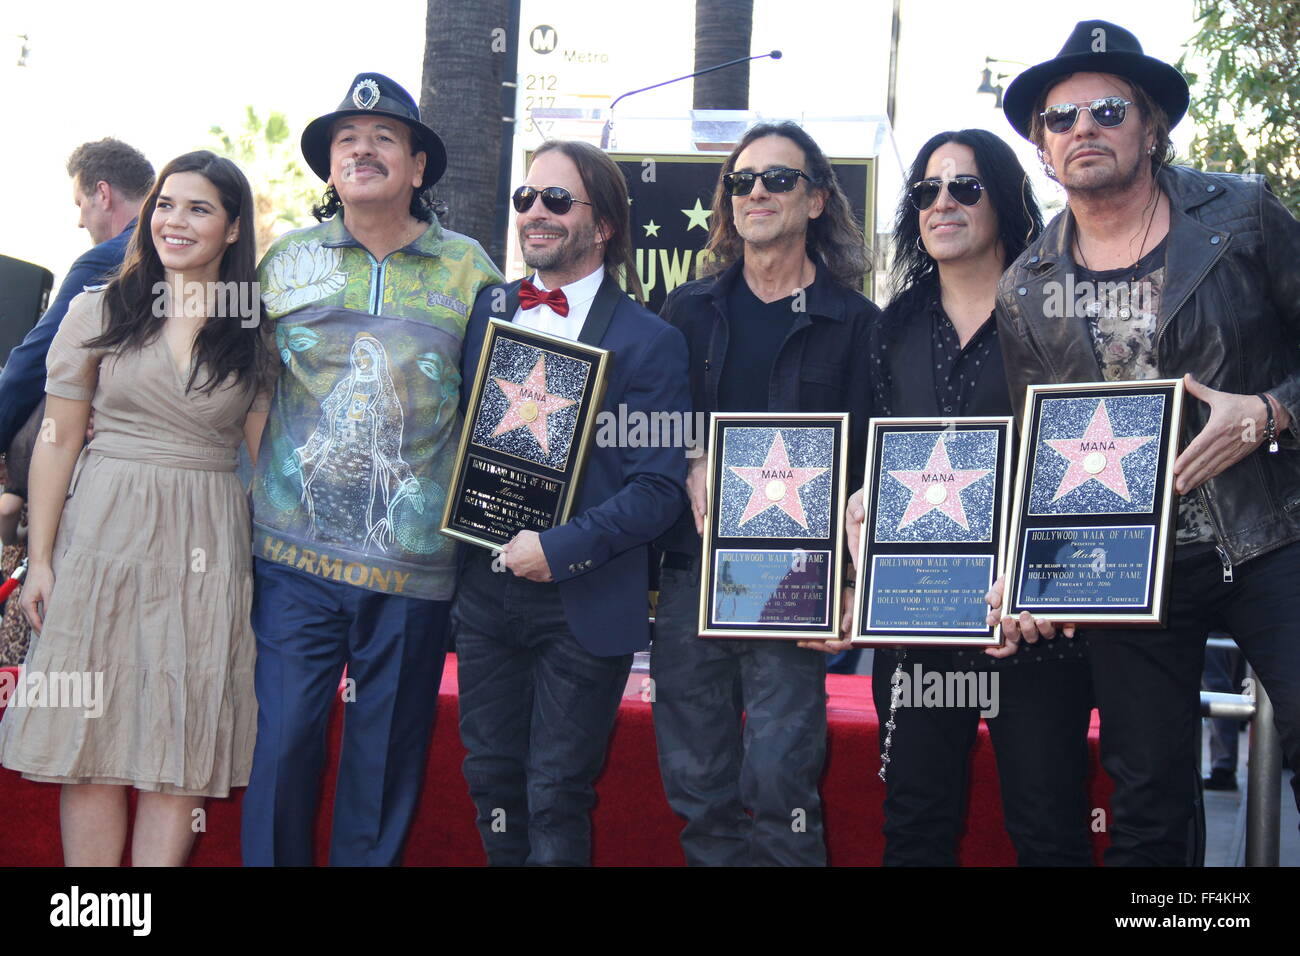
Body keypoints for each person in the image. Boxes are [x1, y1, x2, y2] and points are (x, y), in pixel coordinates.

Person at [989, 19, 1300, 865]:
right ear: (1044, 152)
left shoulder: (1245, 216)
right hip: (1126, 569)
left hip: (1271, 536)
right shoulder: (1026, 284)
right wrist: (1025, 574)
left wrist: (1271, 411)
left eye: (1106, 108)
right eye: (1060, 119)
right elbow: (1036, 452)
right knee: (1148, 798)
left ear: (1151, 124)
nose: (1082, 128)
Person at [241, 73, 501, 866]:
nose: (362, 149)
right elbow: (250, 394)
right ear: (329, 169)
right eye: (346, 139)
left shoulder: (471, 272)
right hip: (291, 564)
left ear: (419, 167)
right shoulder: (285, 262)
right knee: (281, 748)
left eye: (385, 137)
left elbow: (494, 414)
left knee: (382, 767)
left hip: (413, 571)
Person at [0, 150, 272, 866]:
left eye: (199, 208)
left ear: (234, 226)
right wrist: (42, 560)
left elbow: (268, 461)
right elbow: (57, 442)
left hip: (207, 539)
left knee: (178, 746)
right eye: (165, 205)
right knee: (91, 743)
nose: (175, 221)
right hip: (101, 534)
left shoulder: (254, 328)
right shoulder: (99, 308)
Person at [844, 130, 1093, 865]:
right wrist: (863, 502)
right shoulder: (889, 329)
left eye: (965, 187)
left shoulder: (1059, 312)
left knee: (1049, 829)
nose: (943, 202)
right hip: (919, 622)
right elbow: (875, 458)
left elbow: (1088, 469)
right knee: (915, 824)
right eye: (927, 190)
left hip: (1035, 624)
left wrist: (1042, 585)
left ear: (1006, 199)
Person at [453, 139, 690, 866]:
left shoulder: (654, 341)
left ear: (606, 223)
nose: (536, 213)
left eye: (558, 200)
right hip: (484, 595)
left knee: (556, 793)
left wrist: (556, 550)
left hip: (582, 601)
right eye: (527, 198)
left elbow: (658, 490)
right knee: (491, 783)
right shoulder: (489, 309)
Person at [651, 121, 877, 866]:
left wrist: (852, 577)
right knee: (697, 788)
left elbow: (876, 463)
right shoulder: (686, 311)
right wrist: (687, 454)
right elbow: (643, 421)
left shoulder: (859, 326)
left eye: (777, 179)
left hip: (794, 583)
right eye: (741, 181)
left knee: (782, 785)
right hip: (692, 577)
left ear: (815, 199)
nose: (756, 192)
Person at [0, 139, 154, 453]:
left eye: (79, 203)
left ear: (103, 193)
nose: (80, 220)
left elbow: (39, 358)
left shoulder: (107, 259)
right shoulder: (195, 255)